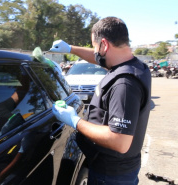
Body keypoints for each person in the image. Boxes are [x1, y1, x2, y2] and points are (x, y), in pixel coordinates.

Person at [50, 16, 151, 185]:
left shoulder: (124, 84)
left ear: (104, 44)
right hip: (120, 169)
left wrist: (74, 120)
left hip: (110, 175)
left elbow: (120, 141)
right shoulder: (136, 66)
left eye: (95, 46)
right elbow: (99, 57)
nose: (95, 52)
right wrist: (70, 49)